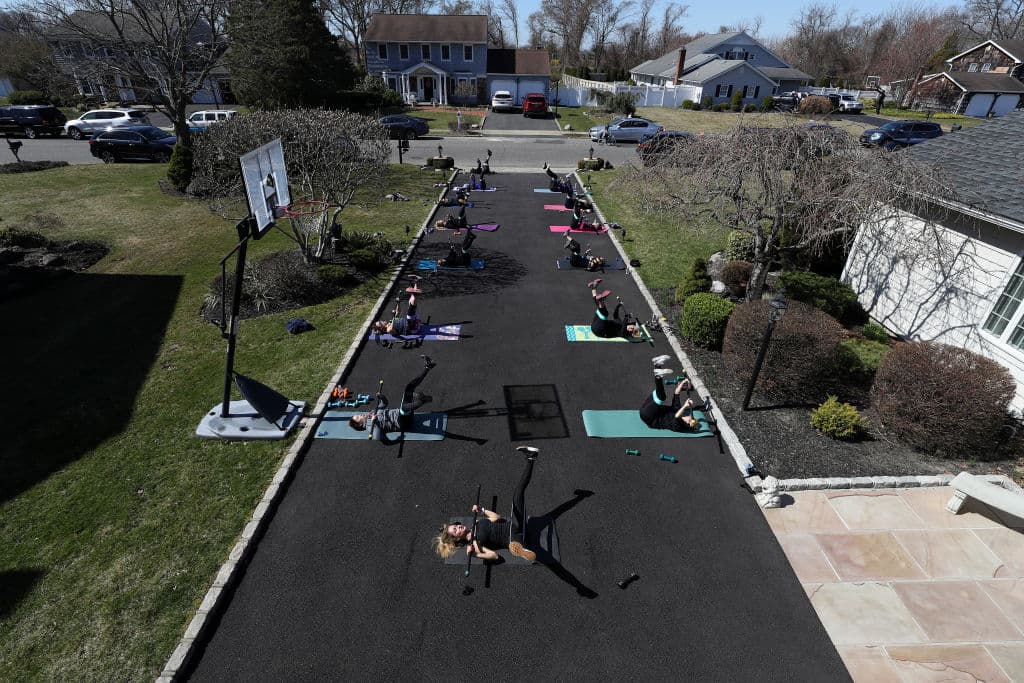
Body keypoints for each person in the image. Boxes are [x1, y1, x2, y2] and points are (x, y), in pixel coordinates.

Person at [433, 446, 541, 562]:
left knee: (518, 494)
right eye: (455, 530)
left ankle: (531, 458)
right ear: (457, 538)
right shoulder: (474, 546)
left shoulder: (477, 523)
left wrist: (482, 510)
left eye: (455, 526)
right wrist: (477, 554)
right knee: (514, 545)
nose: (458, 527)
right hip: (512, 539)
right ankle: (523, 550)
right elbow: (495, 556)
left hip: (514, 524)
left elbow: (497, 517)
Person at [349, 355, 436, 439]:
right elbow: (377, 437)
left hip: (403, 414)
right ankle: (422, 400)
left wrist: (382, 397)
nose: (359, 415)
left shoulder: (372, 412)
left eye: (357, 415)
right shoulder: (369, 426)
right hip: (402, 423)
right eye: (357, 417)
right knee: (404, 407)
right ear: (359, 424)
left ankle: (428, 367)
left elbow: (385, 403)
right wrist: (374, 423)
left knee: (409, 388)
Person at [639, 358, 701, 432]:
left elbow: (676, 416)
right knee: (660, 393)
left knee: (662, 397)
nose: (691, 416)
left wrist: (685, 406)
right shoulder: (677, 409)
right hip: (646, 408)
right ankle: (657, 365)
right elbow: (676, 393)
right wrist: (683, 383)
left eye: (692, 419)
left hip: (649, 417)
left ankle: (658, 374)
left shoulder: (678, 426)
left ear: (689, 423)